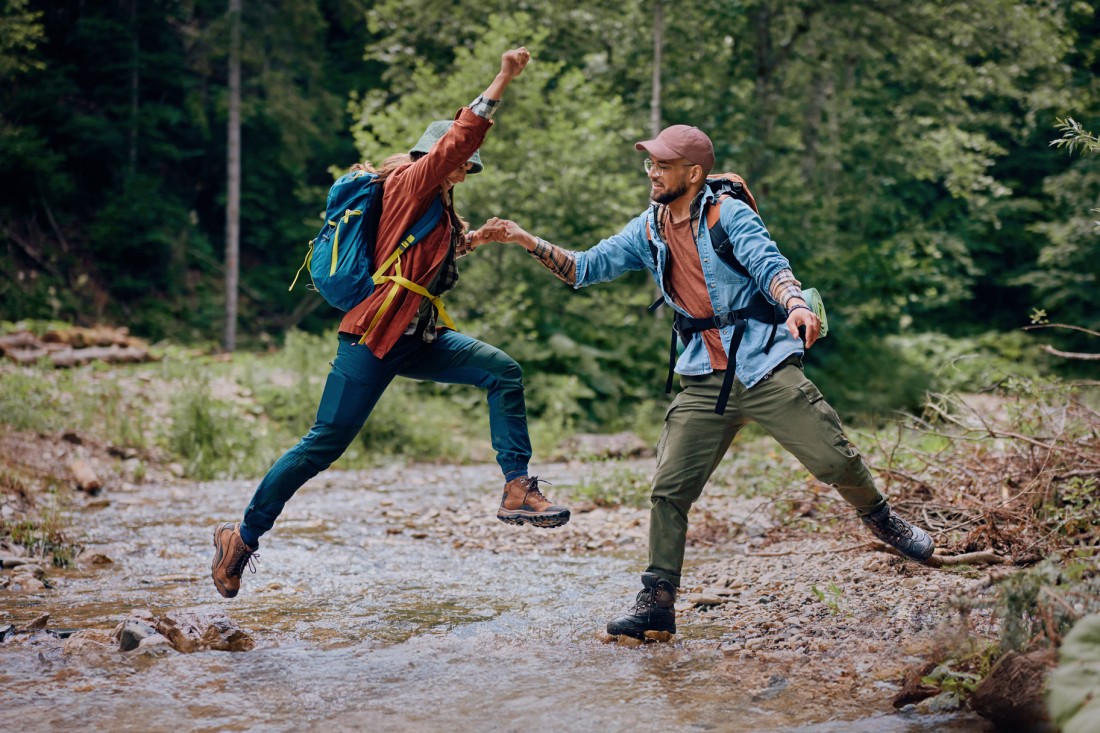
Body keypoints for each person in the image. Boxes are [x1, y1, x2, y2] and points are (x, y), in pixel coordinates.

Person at [472, 124, 935, 639]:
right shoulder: (647, 228)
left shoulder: (728, 214)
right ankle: (657, 602)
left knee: (834, 459)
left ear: (692, 174)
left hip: (762, 365)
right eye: (650, 163)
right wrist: (522, 238)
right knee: (668, 490)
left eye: (662, 165)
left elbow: (770, 265)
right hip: (702, 377)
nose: (652, 171)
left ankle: (883, 520)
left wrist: (797, 303)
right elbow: (585, 268)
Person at [210, 47, 570, 600]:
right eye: (459, 163)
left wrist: (477, 240)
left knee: (503, 372)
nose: (464, 171)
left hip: (420, 337)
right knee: (322, 445)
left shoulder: (439, 204)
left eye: (466, 169)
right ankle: (243, 537)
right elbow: (462, 134)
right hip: (374, 337)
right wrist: (502, 79)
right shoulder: (409, 183)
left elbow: (422, 266)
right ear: (435, 155)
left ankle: (517, 487)